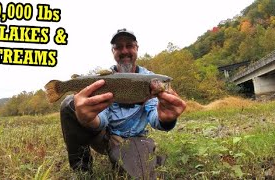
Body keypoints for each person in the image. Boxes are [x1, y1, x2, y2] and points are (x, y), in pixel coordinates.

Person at [60, 28, 186, 178]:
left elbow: (155, 117)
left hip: (134, 138)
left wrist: (166, 119)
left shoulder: (149, 80)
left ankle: (132, 157)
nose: (124, 50)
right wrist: (87, 118)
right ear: (113, 51)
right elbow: (102, 119)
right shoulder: (103, 80)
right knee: (69, 103)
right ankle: (82, 171)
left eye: (129, 45)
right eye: (119, 47)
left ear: (137, 48)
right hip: (104, 136)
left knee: (142, 175)